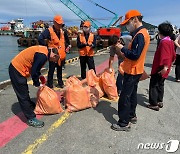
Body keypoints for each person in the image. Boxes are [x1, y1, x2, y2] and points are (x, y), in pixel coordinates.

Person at [110, 10, 150, 131]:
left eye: (128, 23)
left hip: (132, 70)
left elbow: (135, 55)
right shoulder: (143, 33)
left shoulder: (140, 35)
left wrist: (123, 49)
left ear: (135, 20)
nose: (127, 26)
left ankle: (123, 123)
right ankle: (132, 115)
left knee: (125, 97)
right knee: (132, 94)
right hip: (136, 70)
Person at [9, 46, 60, 128]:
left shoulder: (44, 52)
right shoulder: (43, 56)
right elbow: (33, 71)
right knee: (23, 94)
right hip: (16, 69)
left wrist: (39, 75)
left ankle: (29, 105)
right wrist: (37, 84)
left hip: (19, 68)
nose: (53, 62)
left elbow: (35, 66)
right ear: (55, 55)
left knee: (25, 91)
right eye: (54, 60)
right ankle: (31, 118)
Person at [148, 22, 176, 111]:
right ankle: (159, 101)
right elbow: (173, 55)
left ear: (160, 32)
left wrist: (165, 67)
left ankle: (154, 103)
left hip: (160, 67)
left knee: (154, 85)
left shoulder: (164, 42)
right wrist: (169, 66)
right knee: (161, 84)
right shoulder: (170, 41)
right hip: (166, 67)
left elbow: (165, 56)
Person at [38, 15, 70, 88]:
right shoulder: (49, 31)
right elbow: (40, 38)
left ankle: (60, 83)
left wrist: (68, 46)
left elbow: (67, 41)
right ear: (54, 23)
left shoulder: (63, 31)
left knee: (60, 70)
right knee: (51, 70)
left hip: (61, 54)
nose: (59, 25)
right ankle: (50, 84)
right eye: (58, 24)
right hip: (53, 54)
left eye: (60, 24)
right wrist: (47, 48)